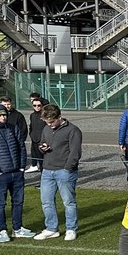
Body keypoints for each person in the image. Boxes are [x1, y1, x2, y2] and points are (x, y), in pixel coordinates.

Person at [33, 103, 82, 241]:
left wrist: (67, 168)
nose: (50, 124)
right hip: (47, 170)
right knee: (46, 201)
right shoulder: (46, 128)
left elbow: (75, 152)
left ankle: (71, 228)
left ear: (59, 117)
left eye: (52, 121)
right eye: (47, 122)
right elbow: (41, 143)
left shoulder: (73, 130)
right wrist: (43, 147)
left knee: (68, 202)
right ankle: (51, 228)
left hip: (64, 171)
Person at [0, 102, 33, 241]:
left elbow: (21, 148)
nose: (3, 117)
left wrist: (22, 167)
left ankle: (17, 228)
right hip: (0, 175)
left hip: (17, 173)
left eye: (4, 115)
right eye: (0, 115)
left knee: (18, 202)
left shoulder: (13, 128)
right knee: (0, 203)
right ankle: (2, 230)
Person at [27, 93, 47, 173]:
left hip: (43, 141)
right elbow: (31, 126)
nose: (37, 107)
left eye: (39, 105)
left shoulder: (45, 115)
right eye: (34, 105)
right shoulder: (32, 115)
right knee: (39, 160)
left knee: (44, 163)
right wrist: (31, 135)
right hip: (35, 140)